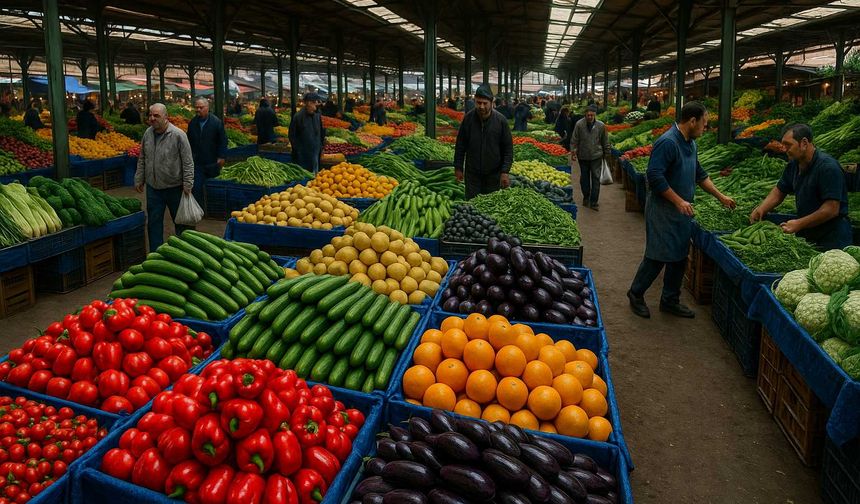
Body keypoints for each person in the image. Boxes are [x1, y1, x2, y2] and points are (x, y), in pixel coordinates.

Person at [627, 101, 735, 319]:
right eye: (704, 123)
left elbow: (699, 174)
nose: (705, 128)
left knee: (679, 257)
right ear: (692, 121)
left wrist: (721, 196)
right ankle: (635, 293)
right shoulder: (668, 142)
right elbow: (654, 176)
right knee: (658, 255)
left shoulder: (691, 143)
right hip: (663, 210)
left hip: (681, 212)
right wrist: (678, 201)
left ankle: (670, 300)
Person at [750, 123, 851, 250]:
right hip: (810, 230)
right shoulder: (794, 164)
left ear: (804, 143)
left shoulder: (828, 167)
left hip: (832, 235)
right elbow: (779, 191)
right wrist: (762, 208)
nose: (784, 149)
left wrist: (799, 223)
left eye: (788, 145)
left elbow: (831, 209)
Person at [135, 103, 195, 251]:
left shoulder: (178, 135)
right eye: (150, 115)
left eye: (156, 115)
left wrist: (188, 184)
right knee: (153, 224)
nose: (152, 118)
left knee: (182, 224)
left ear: (166, 117)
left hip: (175, 188)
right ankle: (156, 254)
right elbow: (142, 157)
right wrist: (139, 177)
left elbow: (188, 161)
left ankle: (186, 254)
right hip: (153, 188)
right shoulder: (147, 134)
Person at [454, 84, 513, 200]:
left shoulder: (501, 121)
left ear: (491, 102)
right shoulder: (468, 119)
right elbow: (460, 145)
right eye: (478, 103)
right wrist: (458, 167)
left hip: (493, 175)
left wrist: (505, 171)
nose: (481, 106)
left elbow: (508, 149)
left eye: (485, 103)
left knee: (490, 204)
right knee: (472, 205)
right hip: (472, 175)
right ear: (475, 101)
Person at [186, 97, 227, 206]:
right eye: (196, 107)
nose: (198, 110)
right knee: (197, 188)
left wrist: (222, 156)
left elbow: (223, 141)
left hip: (212, 161)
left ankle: (212, 207)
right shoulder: (192, 123)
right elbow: (188, 141)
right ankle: (199, 210)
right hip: (197, 162)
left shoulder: (216, 123)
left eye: (201, 107)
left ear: (207, 108)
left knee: (212, 188)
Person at [570, 106, 611, 210]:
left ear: (595, 115)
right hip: (583, 156)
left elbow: (605, 140)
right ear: (585, 114)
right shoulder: (579, 124)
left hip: (596, 156)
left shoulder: (600, 125)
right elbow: (574, 139)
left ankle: (594, 201)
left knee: (596, 178)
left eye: (591, 115)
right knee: (584, 178)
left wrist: (607, 153)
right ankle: (586, 197)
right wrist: (573, 151)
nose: (589, 117)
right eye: (588, 115)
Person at [289, 93, 326, 174]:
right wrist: (298, 150)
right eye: (315, 103)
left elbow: (321, 131)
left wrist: (321, 146)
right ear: (308, 103)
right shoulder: (298, 117)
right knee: (305, 175)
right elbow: (292, 135)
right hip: (303, 154)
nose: (316, 105)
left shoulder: (317, 115)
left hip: (316, 151)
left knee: (315, 173)